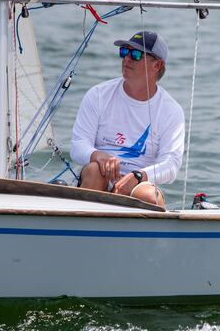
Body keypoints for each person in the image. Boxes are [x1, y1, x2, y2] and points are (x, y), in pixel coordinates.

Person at [71, 31, 185, 209]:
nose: (127, 59)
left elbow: (171, 166)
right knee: (94, 171)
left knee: (149, 197)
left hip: (139, 183)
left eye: (136, 54)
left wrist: (139, 176)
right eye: (124, 51)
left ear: (157, 65)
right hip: (99, 176)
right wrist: (97, 155)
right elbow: (78, 145)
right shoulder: (98, 95)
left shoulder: (171, 111)